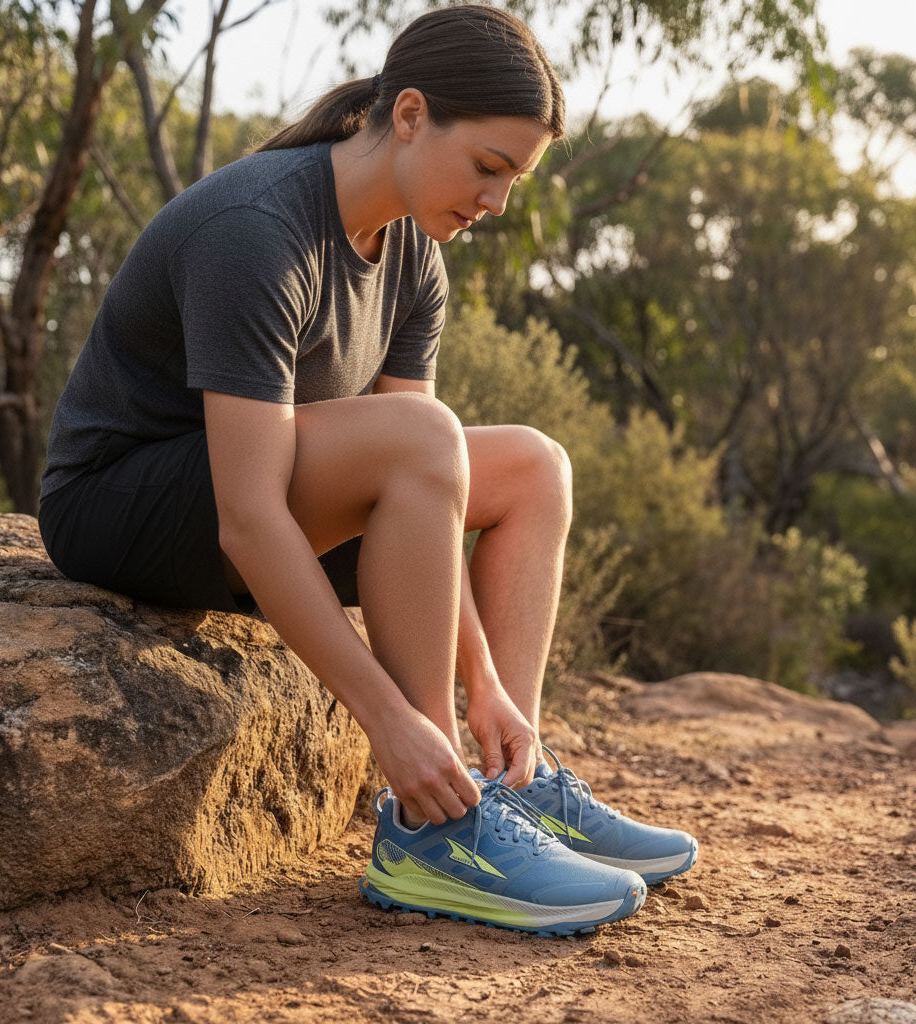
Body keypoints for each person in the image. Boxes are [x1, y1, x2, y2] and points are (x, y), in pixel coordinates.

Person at [39, 4, 696, 936]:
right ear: (412, 115)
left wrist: (485, 685)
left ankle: (507, 779)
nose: (498, 203)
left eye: (514, 180)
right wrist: (389, 720)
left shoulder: (414, 255)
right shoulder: (256, 228)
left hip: (269, 499)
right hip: (124, 506)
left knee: (532, 468)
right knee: (424, 434)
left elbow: (435, 486)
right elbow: (250, 517)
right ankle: (434, 828)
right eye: (489, 167)